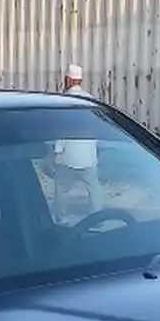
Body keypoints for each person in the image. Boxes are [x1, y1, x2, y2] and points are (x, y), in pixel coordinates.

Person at [53, 60, 102, 222]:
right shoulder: (90, 100)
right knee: (93, 187)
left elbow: (62, 128)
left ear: (68, 80)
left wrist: (58, 151)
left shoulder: (65, 101)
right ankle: (97, 216)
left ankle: (61, 218)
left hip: (69, 155)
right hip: (89, 155)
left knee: (62, 188)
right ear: (80, 81)